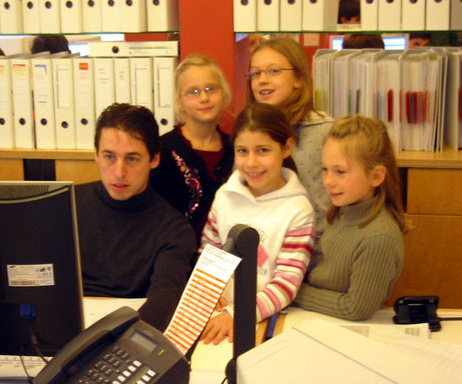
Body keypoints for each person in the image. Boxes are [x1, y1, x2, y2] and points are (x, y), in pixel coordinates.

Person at [200, 102, 315, 345]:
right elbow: (208, 254)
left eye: (263, 150)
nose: (251, 163)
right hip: (219, 315)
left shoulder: (298, 211)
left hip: (265, 323)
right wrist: (209, 291)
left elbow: (285, 284)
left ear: (286, 148)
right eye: (242, 151)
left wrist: (237, 314)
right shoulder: (224, 196)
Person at [75, 103, 197, 331]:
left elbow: (165, 299)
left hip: (127, 336)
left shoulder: (174, 230)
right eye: (109, 157)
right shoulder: (66, 205)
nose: (119, 172)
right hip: (61, 333)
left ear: (154, 160)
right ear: (96, 155)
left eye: (132, 159)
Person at [294, 115, 406, 320]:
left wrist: (293, 292)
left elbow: (355, 309)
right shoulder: (341, 211)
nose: (328, 181)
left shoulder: (378, 238)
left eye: (340, 172)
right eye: (325, 169)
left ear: (376, 176)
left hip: (343, 324)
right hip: (317, 316)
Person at [247, 37, 333, 268]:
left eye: (273, 71)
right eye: (255, 74)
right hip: (264, 262)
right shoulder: (249, 132)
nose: (262, 80)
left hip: (317, 261)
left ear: (298, 78)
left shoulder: (325, 132)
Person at [150, 54, 234, 244]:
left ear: (224, 93)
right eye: (193, 92)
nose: (204, 98)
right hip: (178, 258)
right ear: (180, 102)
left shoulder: (238, 149)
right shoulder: (162, 152)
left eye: (211, 89)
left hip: (230, 258)